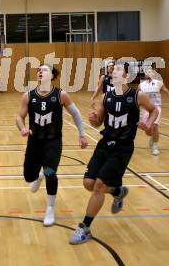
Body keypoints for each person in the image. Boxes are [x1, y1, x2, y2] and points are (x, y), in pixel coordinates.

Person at [69, 62, 158, 245]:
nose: (113, 71)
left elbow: (154, 110)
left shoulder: (137, 95)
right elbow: (98, 122)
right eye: (112, 69)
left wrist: (148, 124)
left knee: (99, 185)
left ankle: (85, 227)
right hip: (105, 143)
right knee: (88, 183)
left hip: (123, 147)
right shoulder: (106, 96)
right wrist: (93, 119)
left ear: (126, 75)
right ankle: (118, 191)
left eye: (118, 69)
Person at [16, 64, 88, 226]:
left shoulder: (61, 95)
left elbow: (76, 114)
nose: (40, 72)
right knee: (29, 177)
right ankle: (39, 175)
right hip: (34, 142)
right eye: (39, 70)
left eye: (45, 70)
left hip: (53, 141)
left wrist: (82, 134)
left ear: (52, 75)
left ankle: (50, 208)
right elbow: (19, 117)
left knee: (50, 173)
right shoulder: (28, 96)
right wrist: (23, 128)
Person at [139, 68, 169, 156]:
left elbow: (166, 91)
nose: (148, 73)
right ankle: (152, 138)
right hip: (146, 108)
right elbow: (138, 96)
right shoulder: (141, 85)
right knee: (148, 130)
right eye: (147, 72)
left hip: (156, 108)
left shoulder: (158, 83)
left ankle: (155, 146)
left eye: (150, 72)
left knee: (155, 125)